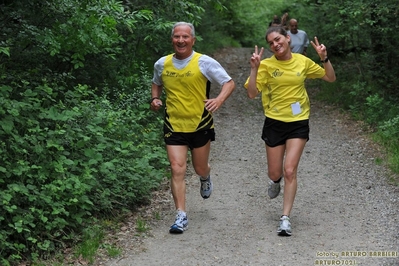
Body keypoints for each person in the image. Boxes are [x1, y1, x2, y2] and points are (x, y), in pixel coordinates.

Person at [244, 26, 336, 236]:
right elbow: (251, 94)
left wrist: (324, 58)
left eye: (278, 40)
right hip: (274, 122)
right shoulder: (266, 65)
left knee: (290, 170)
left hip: (298, 121)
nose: (275, 45)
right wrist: (254, 69)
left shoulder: (302, 62)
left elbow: (330, 78)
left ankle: (285, 218)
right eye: (271, 43)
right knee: (275, 172)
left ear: (287, 38)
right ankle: (274, 181)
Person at [150, 22, 235, 234]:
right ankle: (181, 215)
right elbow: (156, 82)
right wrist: (155, 98)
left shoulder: (204, 62)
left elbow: (229, 83)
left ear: (193, 40)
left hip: (200, 124)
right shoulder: (162, 64)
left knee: (199, 167)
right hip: (174, 124)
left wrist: (219, 100)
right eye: (177, 37)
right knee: (177, 168)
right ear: (172, 40)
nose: (181, 40)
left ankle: (205, 177)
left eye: (185, 37)